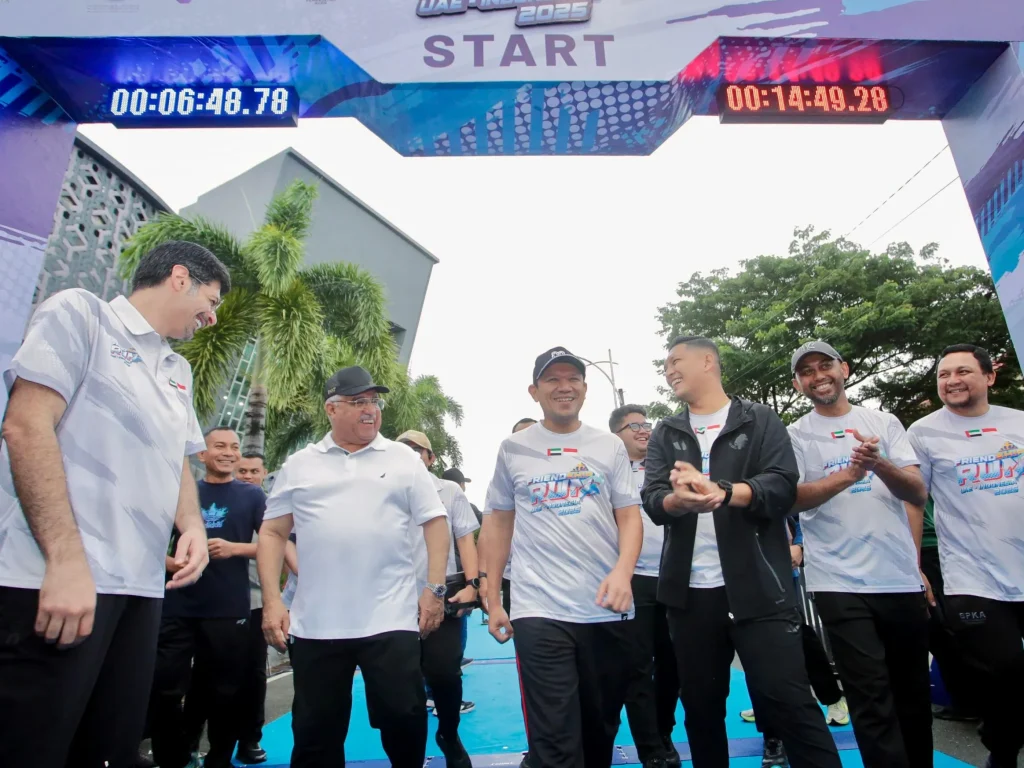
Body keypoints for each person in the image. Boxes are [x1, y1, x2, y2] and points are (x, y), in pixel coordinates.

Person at [0, 240, 226, 768]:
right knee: (31, 746)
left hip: (139, 594)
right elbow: (26, 425)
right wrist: (65, 559)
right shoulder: (81, 313)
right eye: (210, 301)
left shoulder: (179, 370)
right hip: (55, 582)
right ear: (178, 277)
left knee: (109, 750)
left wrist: (189, 523)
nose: (211, 318)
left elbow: (176, 462)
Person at [642, 335, 841, 768]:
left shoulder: (759, 419)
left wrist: (725, 492)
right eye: (666, 365)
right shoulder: (667, 430)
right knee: (701, 708)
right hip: (690, 596)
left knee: (789, 702)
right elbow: (654, 499)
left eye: (676, 361)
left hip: (759, 589)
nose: (669, 370)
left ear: (708, 361)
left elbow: (783, 484)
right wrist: (679, 500)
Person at [256, 366, 451, 768]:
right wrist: (273, 602)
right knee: (314, 732)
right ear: (331, 409)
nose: (370, 410)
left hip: (391, 618)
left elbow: (435, 521)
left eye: (373, 401)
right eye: (357, 402)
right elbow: (273, 534)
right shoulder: (300, 464)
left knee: (405, 716)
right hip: (317, 624)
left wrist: (434, 589)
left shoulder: (402, 459)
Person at [484, 347, 643, 768]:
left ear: (585, 390)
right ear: (534, 391)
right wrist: (493, 595)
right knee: (555, 737)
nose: (564, 386)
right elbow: (498, 522)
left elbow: (629, 517)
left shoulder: (608, 446)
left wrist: (623, 573)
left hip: (604, 609)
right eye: (552, 379)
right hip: (539, 609)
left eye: (572, 378)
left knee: (599, 728)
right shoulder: (513, 448)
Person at [787, 340, 932, 768]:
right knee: (870, 695)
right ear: (799, 384)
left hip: (898, 577)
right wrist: (851, 474)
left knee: (911, 692)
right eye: (807, 371)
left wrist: (879, 464)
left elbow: (916, 492)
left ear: (844, 369)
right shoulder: (794, 434)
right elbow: (792, 499)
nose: (818, 376)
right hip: (838, 582)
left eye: (825, 366)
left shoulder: (882, 422)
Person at [908, 344, 1024, 768]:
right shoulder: (922, 432)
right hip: (973, 577)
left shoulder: (1019, 423)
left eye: (962, 371)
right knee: (1004, 668)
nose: (951, 380)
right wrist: (913, 564)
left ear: (989, 377)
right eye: (943, 375)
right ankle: (1003, 750)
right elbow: (913, 501)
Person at [150, 426, 266, 768]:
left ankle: (219, 758)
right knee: (166, 685)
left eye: (234, 447)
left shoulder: (252, 496)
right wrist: (175, 562)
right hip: (178, 602)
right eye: (219, 446)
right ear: (202, 454)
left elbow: (273, 545)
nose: (228, 452)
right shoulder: (182, 492)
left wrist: (234, 549)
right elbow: (152, 540)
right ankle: (173, 757)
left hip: (228, 606)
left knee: (224, 690)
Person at [739, 513, 850, 768]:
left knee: (803, 640)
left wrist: (799, 546)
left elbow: (798, 514)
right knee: (755, 653)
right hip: (739, 579)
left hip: (779, 576)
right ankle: (771, 727)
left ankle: (832, 698)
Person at [399, 430, 480, 767]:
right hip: (394, 597)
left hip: (441, 594)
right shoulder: (381, 491)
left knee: (445, 672)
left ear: (431, 458)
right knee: (401, 683)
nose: (410, 455)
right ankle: (409, 750)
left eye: (418, 450)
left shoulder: (448, 492)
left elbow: (466, 541)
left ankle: (449, 732)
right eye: (402, 450)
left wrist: (473, 586)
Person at [610, 404, 681, 768]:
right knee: (637, 666)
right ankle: (650, 748)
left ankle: (664, 729)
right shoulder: (609, 472)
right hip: (632, 579)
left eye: (646, 424)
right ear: (615, 435)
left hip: (672, 576)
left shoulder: (668, 469)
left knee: (673, 663)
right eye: (633, 425)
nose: (643, 430)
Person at [234, 452, 272, 764]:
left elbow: (278, 544)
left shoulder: (270, 508)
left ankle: (249, 739)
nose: (247, 476)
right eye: (242, 470)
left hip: (257, 602)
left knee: (253, 675)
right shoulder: (215, 501)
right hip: (215, 601)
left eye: (253, 471)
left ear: (264, 473)